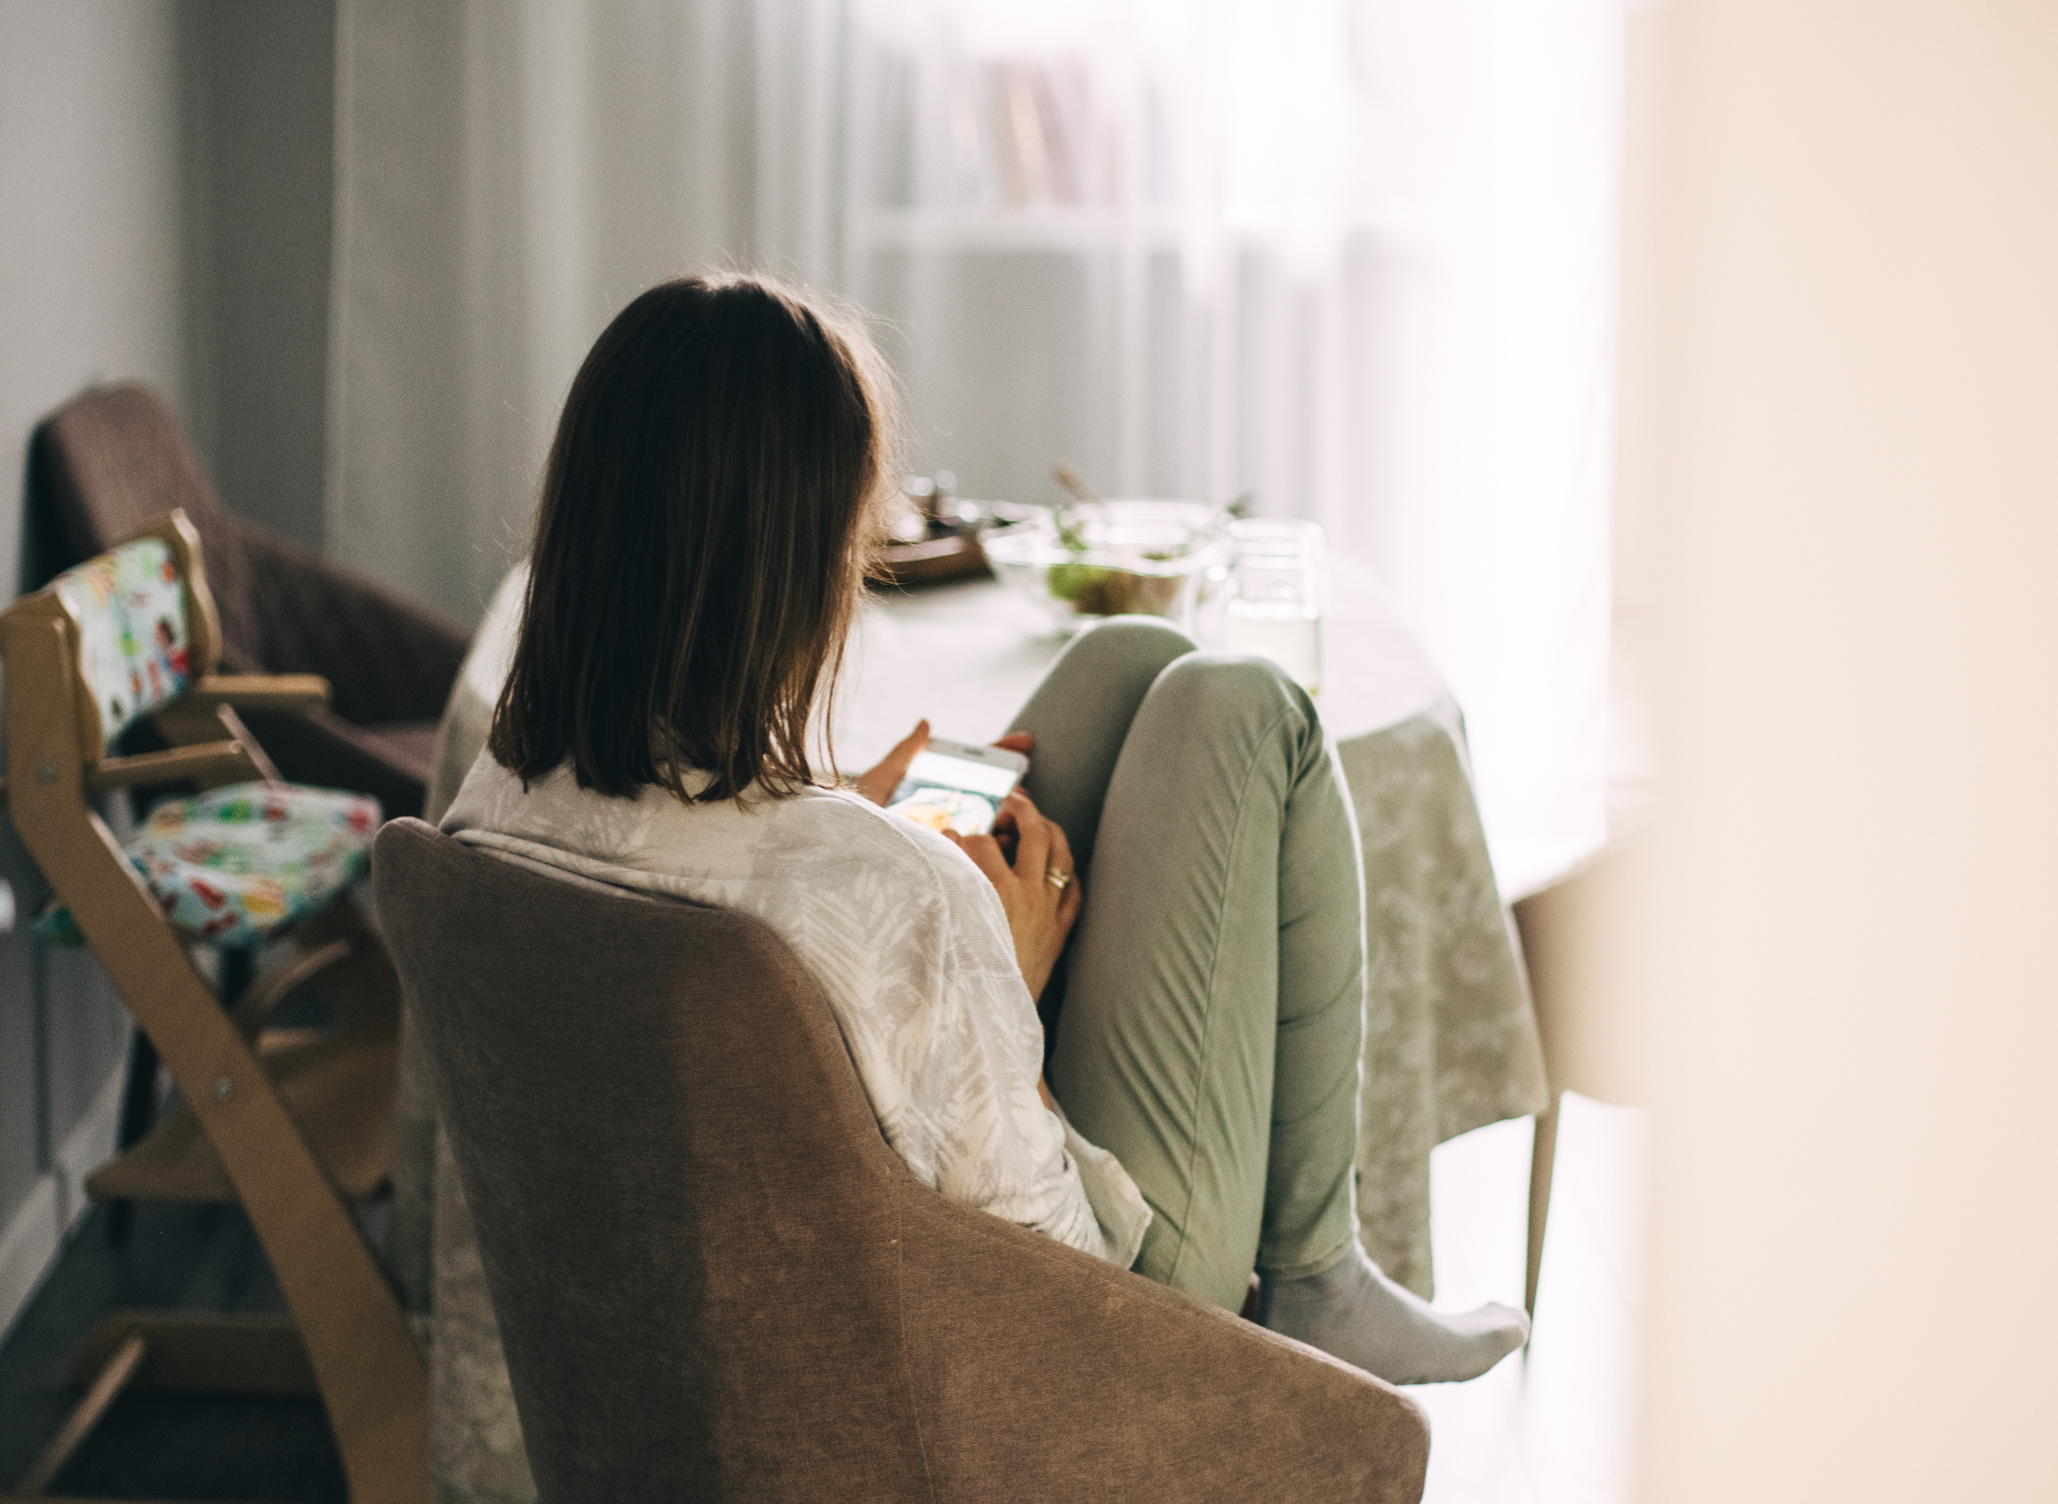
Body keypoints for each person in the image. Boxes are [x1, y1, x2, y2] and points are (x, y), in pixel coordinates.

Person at [445, 272, 1527, 1384]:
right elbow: (1048, 1262)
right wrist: (1005, 973)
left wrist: (831, 810)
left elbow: (719, 923)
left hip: (710, 1307)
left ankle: (1322, 1270)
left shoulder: (499, 793)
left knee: (1130, 665)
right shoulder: (897, 891)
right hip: (1076, 1332)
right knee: (1244, 710)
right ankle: (1314, 1272)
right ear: (801, 566)